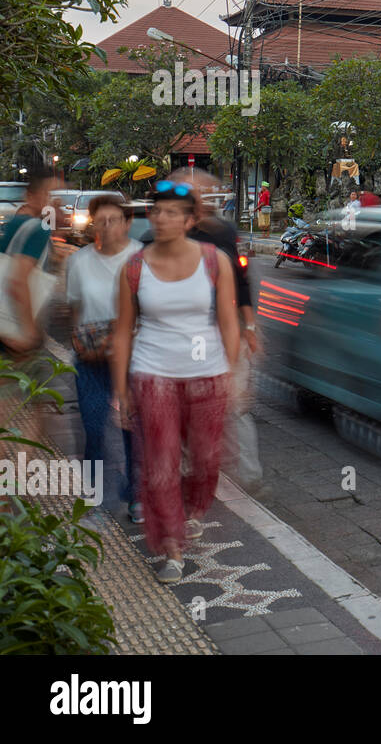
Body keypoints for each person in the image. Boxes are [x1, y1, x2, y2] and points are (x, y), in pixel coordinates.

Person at [111, 180, 240, 584]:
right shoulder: (134, 267)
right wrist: (120, 390)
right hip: (154, 376)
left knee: (204, 460)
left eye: (172, 213)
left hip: (207, 375)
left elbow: (228, 321)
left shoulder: (214, 260)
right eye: (157, 211)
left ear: (189, 221)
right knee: (161, 464)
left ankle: (196, 509)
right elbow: (121, 331)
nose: (162, 219)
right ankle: (172, 545)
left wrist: (231, 374)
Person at [155, 168, 263, 494]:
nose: (200, 199)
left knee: (235, 403)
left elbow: (241, 283)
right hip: (185, 333)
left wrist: (250, 325)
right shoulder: (165, 235)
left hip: (226, 328)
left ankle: (248, 477)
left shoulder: (223, 232)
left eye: (204, 192)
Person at [66, 195, 142, 520]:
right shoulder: (79, 260)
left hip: (133, 356)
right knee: (93, 426)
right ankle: (94, 493)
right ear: (92, 223)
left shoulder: (140, 256)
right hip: (91, 358)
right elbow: (75, 308)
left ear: (127, 223)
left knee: (133, 428)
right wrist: (79, 342)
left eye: (115, 220)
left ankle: (136, 495)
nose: (107, 227)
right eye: (101, 220)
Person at [1, 172, 70, 355]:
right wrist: (29, 330)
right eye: (49, 195)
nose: (55, 202)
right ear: (31, 196)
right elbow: (18, 281)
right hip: (13, 330)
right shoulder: (39, 229)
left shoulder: (16, 222)